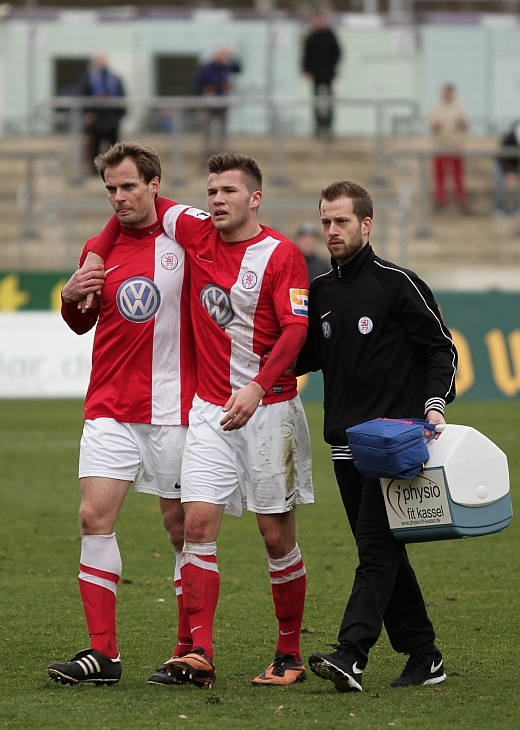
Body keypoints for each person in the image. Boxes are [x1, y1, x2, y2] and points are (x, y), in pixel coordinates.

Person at [86, 152, 314, 689]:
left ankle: (289, 652)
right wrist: (95, 252)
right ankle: (199, 654)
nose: (217, 200)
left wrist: (257, 387)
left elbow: (295, 332)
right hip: (210, 411)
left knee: (275, 536)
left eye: (229, 192)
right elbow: (130, 203)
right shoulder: (194, 230)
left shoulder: (282, 255)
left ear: (255, 199)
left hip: (270, 411)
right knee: (195, 528)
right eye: (211, 191)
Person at [297, 180, 458, 693]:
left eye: (342, 221)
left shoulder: (398, 283)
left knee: (375, 548)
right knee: (386, 551)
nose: (332, 230)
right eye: (326, 221)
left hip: (394, 445)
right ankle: (425, 655)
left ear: (366, 225)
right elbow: (303, 358)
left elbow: (441, 349)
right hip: (345, 447)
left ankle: (352, 653)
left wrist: (434, 403)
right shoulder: (320, 291)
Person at [47, 142, 197, 687]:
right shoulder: (97, 248)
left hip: (175, 408)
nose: (118, 197)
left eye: (129, 186)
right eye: (110, 188)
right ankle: (102, 654)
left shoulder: (187, 238)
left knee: (180, 529)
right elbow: (79, 321)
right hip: (110, 405)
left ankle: (187, 650)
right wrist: (70, 296)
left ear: (154, 184)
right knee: (93, 518)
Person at [195, 47, 242, 165]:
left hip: (223, 105)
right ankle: (205, 159)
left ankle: (223, 159)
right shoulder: (206, 68)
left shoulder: (227, 67)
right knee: (206, 134)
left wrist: (232, 57)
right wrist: (204, 91)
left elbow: (239, 68)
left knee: (223, 134)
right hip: (208, 106)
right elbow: (197, 83)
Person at [428, 83, 470, 212]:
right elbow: (430, 122)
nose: (443, 94)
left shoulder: (459, 106)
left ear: (451, 92)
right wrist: (434, 124)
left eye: (445, 91)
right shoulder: (437, 106)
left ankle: (462, 201)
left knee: (458, 176)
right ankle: (440, 201)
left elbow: (466, 124)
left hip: (454, 145)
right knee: (439, 175)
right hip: (439, 146)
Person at [82, 54, 126, 173]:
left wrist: (119, 115)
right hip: (96, 117)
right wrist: (88, 113)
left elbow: (122, 96)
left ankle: (115, 169)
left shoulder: (115, 78)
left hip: (112, 117)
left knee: (114, 146)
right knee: (95, 145)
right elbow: (84, 96)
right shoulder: (90, 78)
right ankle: (95, 170)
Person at [302, 12, 342, 139]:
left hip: (328, 74)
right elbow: (306, 55)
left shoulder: (330, 36)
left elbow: (338, 52)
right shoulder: (311, 37)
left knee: (329, 101)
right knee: (316, 101)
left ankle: (328, 127)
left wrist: (333, 65)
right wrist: (306, 70)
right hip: (316, 74)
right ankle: (318, 126)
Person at [493, 121, 520, 218]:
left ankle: (518, 209)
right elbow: (502, 159)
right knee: (498, 182)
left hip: (516, 166)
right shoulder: (509, 138)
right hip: (503, 166)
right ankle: (499, 209)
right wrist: (509, 172)